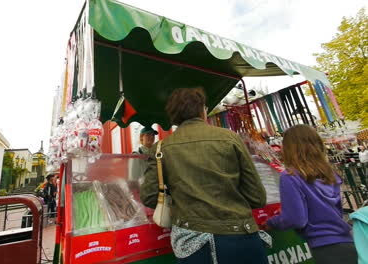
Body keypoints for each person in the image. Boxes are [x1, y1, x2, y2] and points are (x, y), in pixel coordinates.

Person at [140, 87, 268, 264]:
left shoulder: (161, 148)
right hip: (242, 237)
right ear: (203, 111)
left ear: (174, 116)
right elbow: (257, 197)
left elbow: (149, 196)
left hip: (194, 243)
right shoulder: (230, 138)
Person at [265, 124, 357, 264]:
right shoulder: (329, 174)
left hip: (325, 247)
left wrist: (272, 222)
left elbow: (296, 219)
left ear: (290, 147)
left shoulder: (290, 176)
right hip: (346, 240)